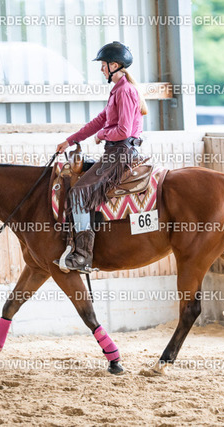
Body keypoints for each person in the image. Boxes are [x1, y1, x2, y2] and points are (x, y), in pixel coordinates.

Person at [55, 41, 148, 273]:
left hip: (121, 153)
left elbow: (124, 131)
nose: (101, 69)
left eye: (104, 65)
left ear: (115, 65)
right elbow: (99, 120)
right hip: (115, 151)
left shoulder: (124, 91)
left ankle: (83, 256)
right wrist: (70, 140)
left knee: (79, 193)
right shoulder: (118, 90)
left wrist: (102, 135)